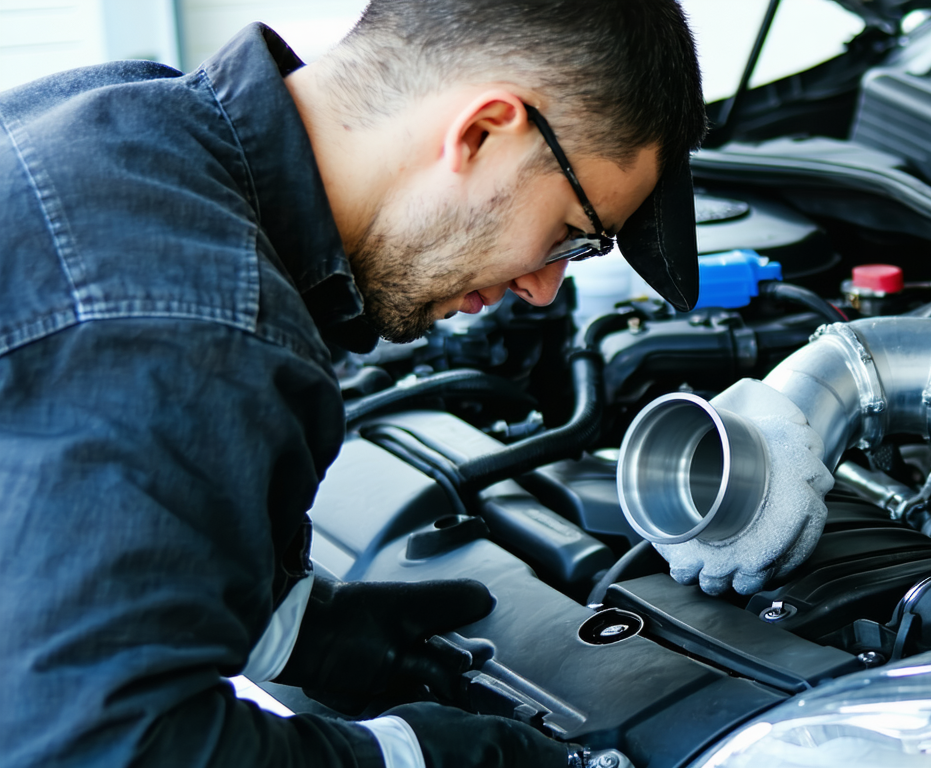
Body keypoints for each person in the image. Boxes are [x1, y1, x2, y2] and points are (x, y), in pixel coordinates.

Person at [0, 1, 705, 766]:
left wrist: (303, 633)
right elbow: (99, 749)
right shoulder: (197, 326)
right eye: (572, 232)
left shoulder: (117, 120)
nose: (544, 288)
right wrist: (411, 757)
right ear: (481, 132)